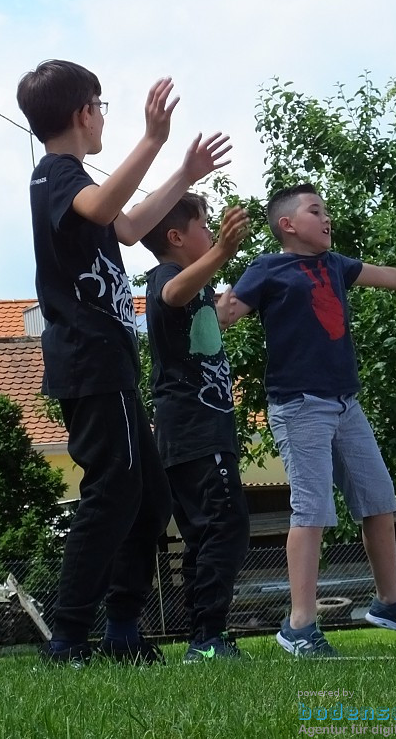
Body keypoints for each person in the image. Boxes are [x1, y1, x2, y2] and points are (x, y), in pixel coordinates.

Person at [16, 59, 232, 665]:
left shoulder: (81, 188)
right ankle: (69, 636)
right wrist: (154, 140)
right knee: (112, 492)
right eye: (101, 106)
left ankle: (121, 629)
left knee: (150, 496)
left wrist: (183, 171)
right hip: (88, 360)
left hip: (108, 363)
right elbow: (105, 207)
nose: (104, 117)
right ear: (86, 113)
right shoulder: (56, 175)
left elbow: (130, 224)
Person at [219, 183, 396, 658]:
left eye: (327, 210)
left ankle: (390, 603)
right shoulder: (268, 269)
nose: (327, 217)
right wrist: (216, 308)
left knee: (379, 498)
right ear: (288, 225)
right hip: (298, 405)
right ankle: (299, 626)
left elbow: (384, 275)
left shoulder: (335, 265)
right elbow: (229, 312)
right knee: (311, 508)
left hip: (345, 403)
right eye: (316, 211)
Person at [139, 193, 252, 663]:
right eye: (205, 226)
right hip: (193, 433)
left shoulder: (196, 288)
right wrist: (222, 251)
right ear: (176, 237)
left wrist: (231, 305)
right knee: (226, 524)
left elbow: (205, 321)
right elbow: (173, 295)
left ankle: (203, 639)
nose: (210, 233)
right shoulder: (167, 279)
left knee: (206, 533)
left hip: (200, 433)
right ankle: (208, 638)